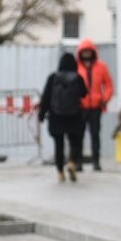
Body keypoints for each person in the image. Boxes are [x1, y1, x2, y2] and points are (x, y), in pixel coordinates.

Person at [38, 51, 86, 182]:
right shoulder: (78, 77)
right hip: (74, 115)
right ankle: (71, 162)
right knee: (74, 142)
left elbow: (46, 98)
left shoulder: (53, 77)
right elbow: (84, 93)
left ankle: (60, 172)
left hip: (56, 115)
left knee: (58, 145)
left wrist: (41, 114)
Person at [76, 38, 115, 172]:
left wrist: (105, 99)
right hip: (81, 107)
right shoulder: (77, 67)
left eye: (89, 51)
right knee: (78, 135)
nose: (87, 54)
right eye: (84, 51)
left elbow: (109, 85)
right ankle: (78, 162)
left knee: (95, 135)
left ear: (93, 52)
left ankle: (96, 161)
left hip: (96, 106)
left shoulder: (101, 67)